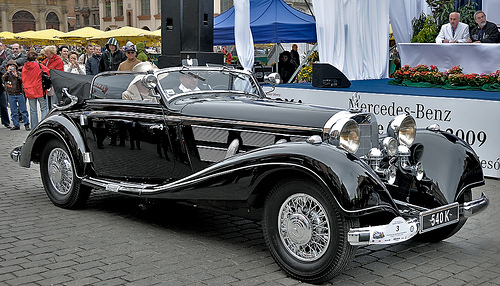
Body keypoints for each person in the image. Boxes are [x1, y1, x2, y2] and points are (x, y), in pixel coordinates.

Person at [23, 51, 49, 129]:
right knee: (44, 108)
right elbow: (48, 72)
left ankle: (33, 127)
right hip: (39, 89)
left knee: (33, 110)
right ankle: (43, 126)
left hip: (29, 90)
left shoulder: (25, 67)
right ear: (35, 58)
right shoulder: (38, 65)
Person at [2, 60, 30, 131]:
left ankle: (26, 124)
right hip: (11, 94)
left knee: (23, 110)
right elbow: (3, 79)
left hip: (19, 94)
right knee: (13, 111)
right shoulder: (7, 75)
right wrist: (7, 73)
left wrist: (16, 76)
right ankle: (16, 124)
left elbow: (23, 81)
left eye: (13, 67)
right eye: (10, 67)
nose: (12, 69)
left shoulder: (19, 74)